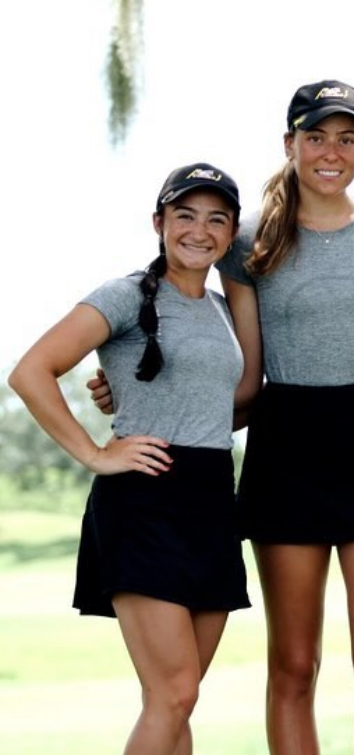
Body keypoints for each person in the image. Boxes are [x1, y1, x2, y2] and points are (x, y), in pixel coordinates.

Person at [9, 163, 249, 755]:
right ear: (158, 223)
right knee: (173, 694)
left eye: (217, 219)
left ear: (231, 232)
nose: (200, 230)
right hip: (146, 500)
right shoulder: (123, 295)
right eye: (185, 215)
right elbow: (31, 372)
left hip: (213, 501)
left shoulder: (224, 309)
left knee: (179, 699)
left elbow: (217, 404)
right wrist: (94, 452)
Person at [217, 80, 354, 755]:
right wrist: (139, 394)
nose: (331, 151)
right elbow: (244, 376)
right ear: (290, 144)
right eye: (316, 136)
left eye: (345, 137)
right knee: (295, 664)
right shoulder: (247, 241)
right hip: (285, 450)